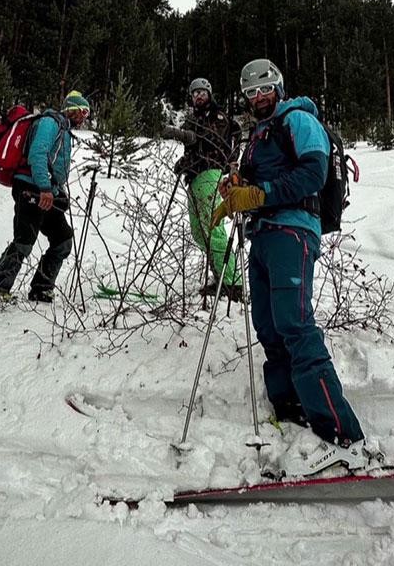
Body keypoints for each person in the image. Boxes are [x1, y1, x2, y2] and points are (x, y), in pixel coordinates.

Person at [211, 59, 371, 477]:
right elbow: (256, 182)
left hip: (293, 232)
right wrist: (235, 186)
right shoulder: (259, 134)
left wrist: (259, 195)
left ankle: (343, 436)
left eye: (264, 89)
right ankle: (291, 406)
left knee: (295, 325)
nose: (258, 97)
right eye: (250, 93)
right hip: (262, 236)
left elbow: (313, 174)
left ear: (278, 87)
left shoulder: (297, 118)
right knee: (268, 324)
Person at [0, 90, 90, 304]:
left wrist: (56, 191)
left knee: (63, 240)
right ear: (72, 109)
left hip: (46, 191)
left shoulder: (63, 129)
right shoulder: (50, 123)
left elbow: (53, 163)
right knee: (24, 240)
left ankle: (41, 289)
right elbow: (37, 154)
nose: (84, 117)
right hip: (31, 188)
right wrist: (44, 187)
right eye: (83, 111)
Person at [162, 77, 244, 300]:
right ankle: (221, 276)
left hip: (211, 173)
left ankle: (232, 283)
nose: (198, 96)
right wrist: (184, 163)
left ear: (209, 95)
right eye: (195, 93)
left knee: (212, 228)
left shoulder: (217, 116)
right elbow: (194, 149)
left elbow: (210, 140)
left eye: (202, 93)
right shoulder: (194, 118)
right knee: (199, 231)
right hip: (196, 177)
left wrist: (181, 135)